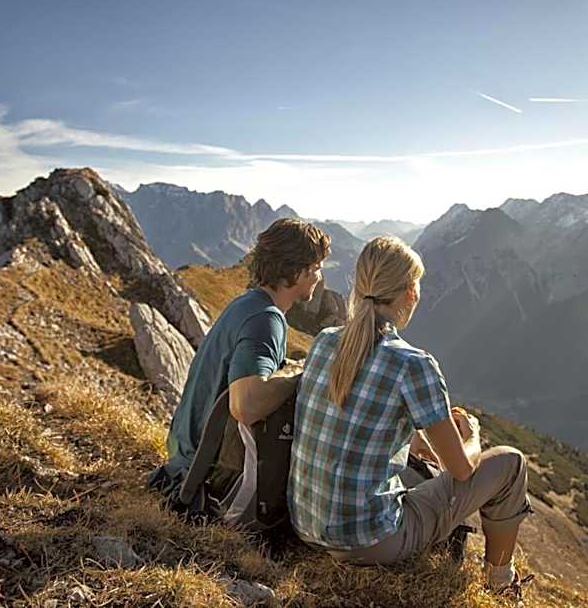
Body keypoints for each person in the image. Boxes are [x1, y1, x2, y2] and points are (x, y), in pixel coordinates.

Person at [288, 236, 533, 594]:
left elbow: (361, 422)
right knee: (511, 464)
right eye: (416, 285)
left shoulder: (326, 341)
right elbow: (462, 470)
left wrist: (418, 442)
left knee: (417, 466)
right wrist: (472, 437)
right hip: (366, 541)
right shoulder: (413, 365)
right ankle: (501, 585)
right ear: (409, 294)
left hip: (306, 525)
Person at [163, 218, 331, 495]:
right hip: (206, 476)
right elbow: (246, 406)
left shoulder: (247, 303)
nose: (319, 276)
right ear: (297, 271)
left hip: (186, 457)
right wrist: (301, 376)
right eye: (316, 268)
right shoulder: (266, 319)